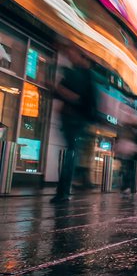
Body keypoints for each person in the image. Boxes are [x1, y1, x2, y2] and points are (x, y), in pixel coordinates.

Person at [52, 47, 99, 202]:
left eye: (72, 53)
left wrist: (59, 90)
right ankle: (68, 186)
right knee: (72, 152)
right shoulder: (83, 74)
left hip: (75, 119)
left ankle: (64, 189)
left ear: (82, 57)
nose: (69, 55)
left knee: (72, 152)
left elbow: (78, 98)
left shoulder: (81, 74)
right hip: (76, 120)